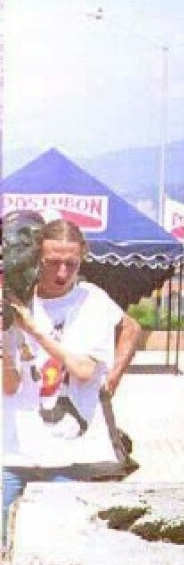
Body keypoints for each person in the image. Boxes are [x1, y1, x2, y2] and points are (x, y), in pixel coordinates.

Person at [3, 218, 136, 544]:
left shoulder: (91, 301)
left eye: (71, 264)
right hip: (14, 453)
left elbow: (84, 371)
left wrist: (113, 377)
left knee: (61, 546)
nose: (62, 273)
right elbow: (10, 385)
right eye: (52, 263)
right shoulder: (16, 302)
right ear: (37, 259)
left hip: (70, 455)